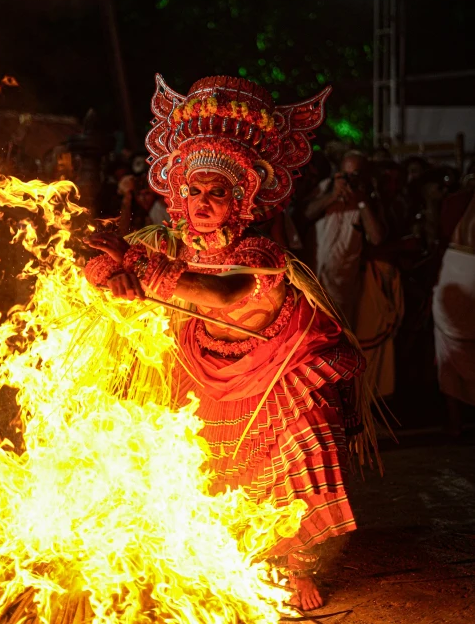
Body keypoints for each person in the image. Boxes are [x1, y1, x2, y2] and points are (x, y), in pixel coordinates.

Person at [83, 74, 376, 612]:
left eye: (217, 192)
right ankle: (225, 550)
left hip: (278, 367)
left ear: (241, 198)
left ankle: (303, 564)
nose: (201, 203)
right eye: (192, 190)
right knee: (200, 461)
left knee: (304, 448)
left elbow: (216, 294)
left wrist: (139, 271)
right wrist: (107, 270)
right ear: (175, 192)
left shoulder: (261, 250)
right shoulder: (169, 242)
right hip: (204, 366)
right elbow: (105, 255)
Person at [304, 151, 403, 399]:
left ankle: (338, 401)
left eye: (356, 175)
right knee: (310, 345)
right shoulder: (324, 189)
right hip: (314, 280)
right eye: (346, 175)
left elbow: (378, 236)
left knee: (337, 346)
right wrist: (333, 196)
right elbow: (304, 215)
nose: (350, 180)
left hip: (345, 286)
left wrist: (361, 201)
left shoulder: (369, 200)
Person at [433, 162, 475, 436]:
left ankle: (455, 422)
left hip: (453, 266)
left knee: (446, 345)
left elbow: (440, 235)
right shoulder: (457, 202)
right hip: (467, 269)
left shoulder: (454, 202)